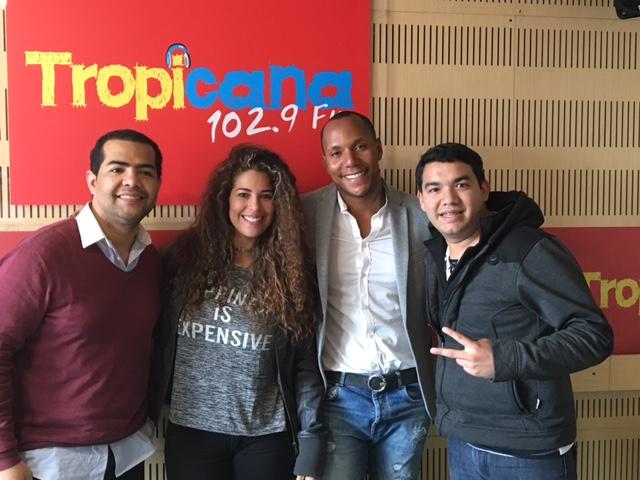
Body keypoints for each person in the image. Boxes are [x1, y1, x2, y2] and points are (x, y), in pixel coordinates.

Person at [415, 142, 614, 480]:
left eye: (461, 184)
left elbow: (594, 336)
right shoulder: (434, 256)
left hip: (529, 451)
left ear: (484, 189)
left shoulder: (529, 250)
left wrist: (506, 359)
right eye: (434, 188)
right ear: (421, 199)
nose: (448, 198)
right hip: (464, 440)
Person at [152, 144, 325, 480]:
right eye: (243, 194)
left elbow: (305, 367)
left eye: (266, 196)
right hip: (192, 432)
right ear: (225, 199)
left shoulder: (292, 273)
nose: (254, 207)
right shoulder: (181, 259)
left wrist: (312, 439)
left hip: (266, 437)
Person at [0, 129, 164, 480]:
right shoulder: (44, 255)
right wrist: (4, 459)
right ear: (92, 180)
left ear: (157, 184)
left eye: (145, 172)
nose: (132, 181)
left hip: (128, 454)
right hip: (51, 463)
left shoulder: (151, 262)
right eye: (117, 169)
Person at [302, 111, 436, 480]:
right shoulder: (305, 214)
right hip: (338, 398)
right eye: (336, 152)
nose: (350, 161)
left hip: (408, 396)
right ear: (326, 162)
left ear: (378, 149)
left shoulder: (420, 215)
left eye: (360, 146)